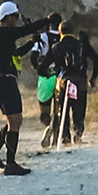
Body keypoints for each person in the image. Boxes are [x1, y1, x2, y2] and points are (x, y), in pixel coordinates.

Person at [0, 1, 43, 175]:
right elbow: (22, 31)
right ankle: (10, 163)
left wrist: (31, 43)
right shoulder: (3, 33)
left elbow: (15, 54)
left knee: (13, 121)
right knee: (15, 121)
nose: (16, 20)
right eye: (15, 16)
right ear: (7, 17)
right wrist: (46, 21)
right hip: (4, 82)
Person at [51, 23, 98, 147]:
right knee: (79, 110)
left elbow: (50, 64)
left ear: (60, 32)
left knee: (62, 109)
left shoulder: (57, 46)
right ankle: (78, 136)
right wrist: (93, 78)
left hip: (63, 81)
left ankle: (65, 138)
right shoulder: (82, 45)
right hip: (80, 81)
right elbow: (97, 59)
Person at [31, 13, 64, 148]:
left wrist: (39, 69)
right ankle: (56, 138)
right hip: (60, 76)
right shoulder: (63, 38)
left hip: (46, 76)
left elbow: (33, 57)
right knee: (59, 109)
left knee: (44, 107)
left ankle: (47, 126)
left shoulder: (43, 37)